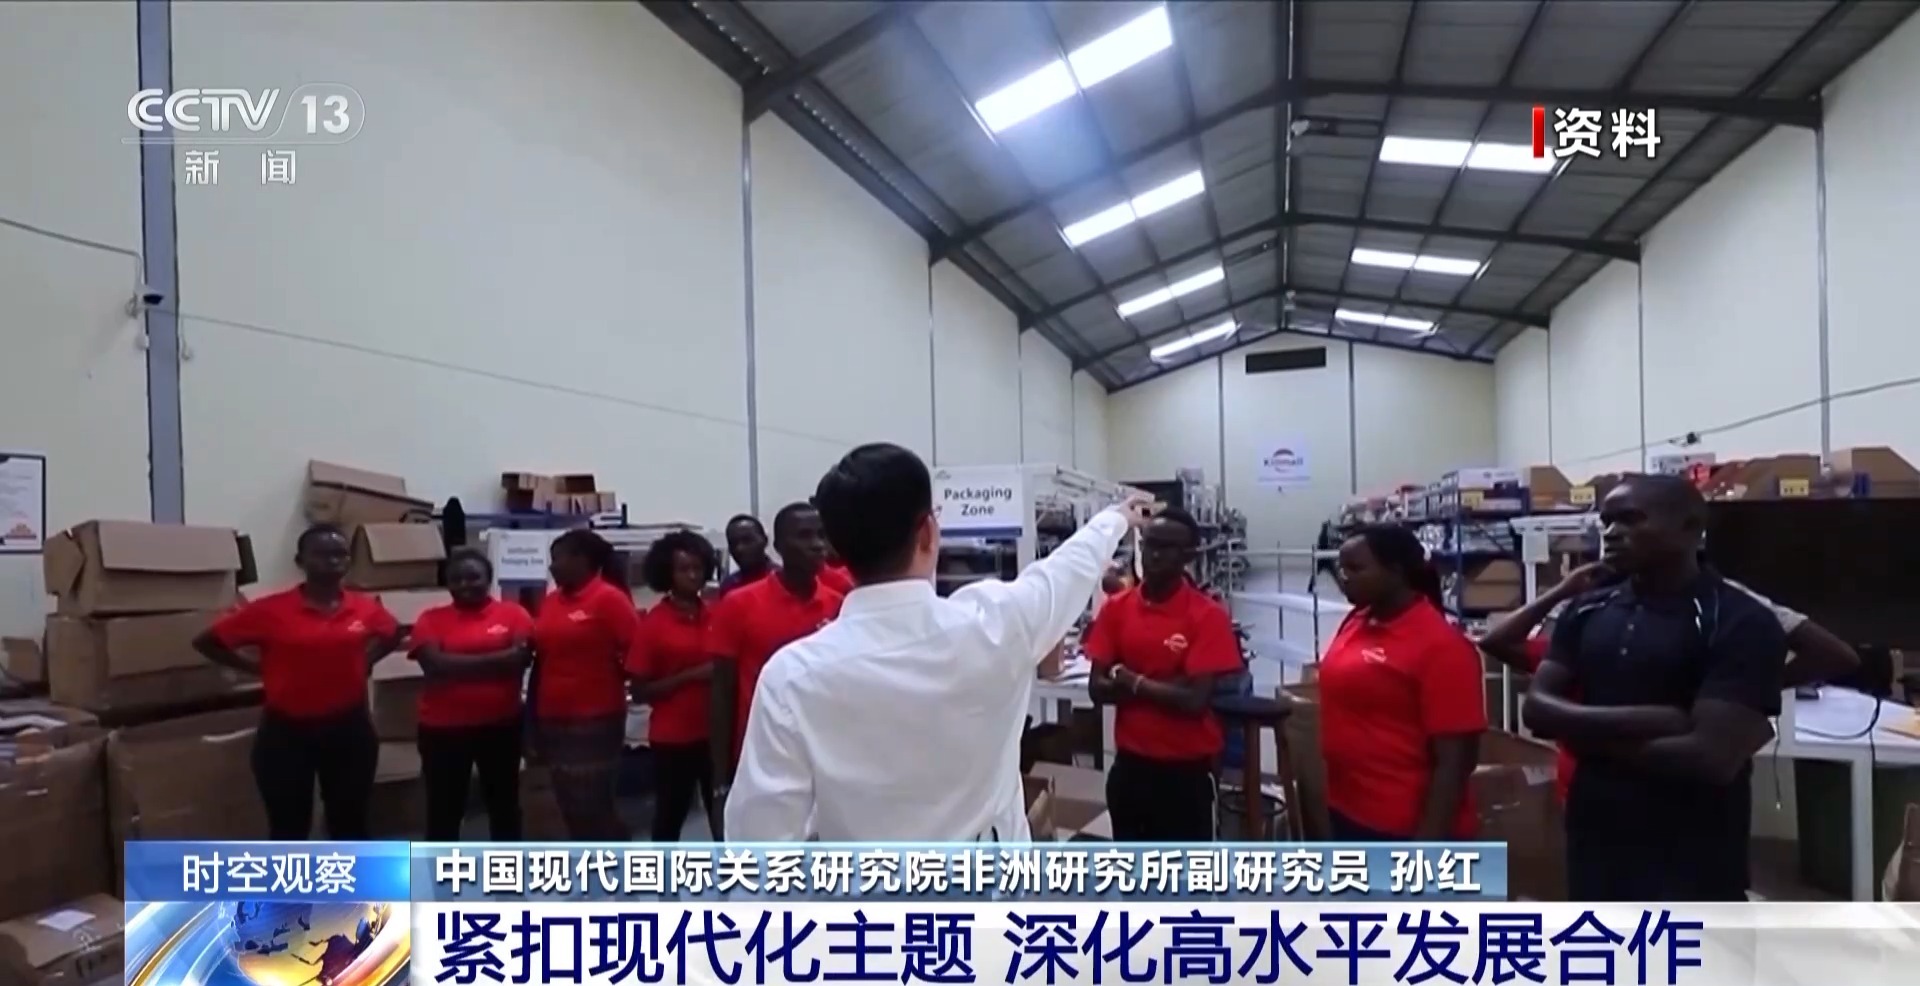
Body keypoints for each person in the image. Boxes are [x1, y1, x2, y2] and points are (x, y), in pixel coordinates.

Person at [725, 442, 1154, 842]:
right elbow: (1066, 571)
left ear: (835, 547)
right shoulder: (997, 623)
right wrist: (1116, 518)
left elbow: (761, 841)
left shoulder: (792, 677)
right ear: (929, 533)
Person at [1524, 474, 1788, 901]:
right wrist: (1660, 719)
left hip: (1693, 850)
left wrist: (1581, 738)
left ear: (1690, 528)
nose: (1612, 533)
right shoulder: (1587, 609)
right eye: (1607, 522)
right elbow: (1536, 710)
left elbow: (1710, 758)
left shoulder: (1738, 621)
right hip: (1595, 838)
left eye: (1630, 520)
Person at [1482, 554, 1858, 806]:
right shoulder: (1582, 648)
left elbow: (1709, 760)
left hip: (1659, 802)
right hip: (1596, 797)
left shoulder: (1701, 645)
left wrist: (1743, 690)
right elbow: (1498, 646)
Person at [193, 524, 403, 840]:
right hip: (287, 734)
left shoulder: (364, 607)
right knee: (289, 828)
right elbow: (207, 642)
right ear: (300, 561)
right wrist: (254, 667)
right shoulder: (269, 610)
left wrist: (367, 661)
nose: (332, 561)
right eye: (321, 554)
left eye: (340, 554)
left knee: (350, 823)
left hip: (350, 730)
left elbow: (393, 632)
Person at [1084, 507, 1243, 841]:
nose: (1153, 555)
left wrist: (1132, 680)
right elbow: (1097, 689)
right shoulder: (1116, 609)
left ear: (1188, 555)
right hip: (1130, 769)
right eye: (1149, 545)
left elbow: (1195, 702)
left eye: (1166, 547)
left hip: (1186, 774)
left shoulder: (1208, 616)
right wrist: (1170, 685)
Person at [1318, 524, 1485, 841]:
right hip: (1347, 806)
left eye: (1356, 568)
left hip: (1402, 824)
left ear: (1395, 571)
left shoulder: (1442, 648)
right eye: (1341, 568)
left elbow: (1456, 762)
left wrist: (1426, 848)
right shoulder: (1357, 620)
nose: (1344, 577)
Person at [707, 502, 844, 778]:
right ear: (778, 545)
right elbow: (722, 693)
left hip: (823, 751)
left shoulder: (839, 604)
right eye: (804, 536)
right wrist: (720, 777)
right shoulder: (738, 604)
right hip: (761, 752)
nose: (817, 545)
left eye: (821, 535)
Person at [408, 548, 534, 841]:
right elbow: (434, 666)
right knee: (444, 809)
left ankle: (506, 868)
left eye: (473, 577)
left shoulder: (514, 614)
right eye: (456, 579)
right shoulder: (431, 618)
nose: (465, 584)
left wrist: (454, 663)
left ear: (488, 579)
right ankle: (441, 869)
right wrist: (499, 659)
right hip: (442, 731)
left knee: (504, 805)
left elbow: (520, 661)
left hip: (501, 726)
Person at [529, 529, 640, 839]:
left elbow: (637, 652)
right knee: (568, 802)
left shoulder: (609, 599)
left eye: (558, 559)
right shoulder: (550, 602)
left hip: (596, 718)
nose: (552, 567)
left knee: (593, 803)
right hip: (553, 716)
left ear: (582, 560)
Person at [629, 530, 722, 842]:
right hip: (674, 738)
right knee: (670, 816)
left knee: (723, 814)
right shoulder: (654, 624)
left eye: (698, 568)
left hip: (717, 734)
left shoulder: (718, 613)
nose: (693, 576)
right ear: (667, 574)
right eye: (683, 569)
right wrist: (692, 676)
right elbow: (639, 691)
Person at [716, 515, 773, 599]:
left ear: (765, 541)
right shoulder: (729, 585)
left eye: (747, 541)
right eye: (733, 543)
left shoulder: (781, 581)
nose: (740, 548)